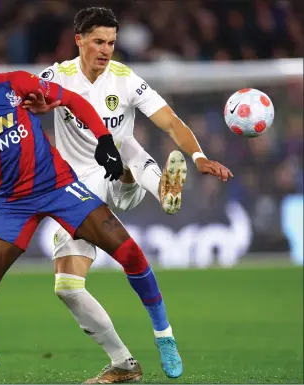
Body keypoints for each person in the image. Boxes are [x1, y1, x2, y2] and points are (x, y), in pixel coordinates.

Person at [0, 24, 165, 384]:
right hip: (12, 204)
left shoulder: (15, 83)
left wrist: (103, 138)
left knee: (129, 251)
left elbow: (72, 100)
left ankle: (163, 337)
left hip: (58, 187)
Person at [23, 6, 233, 383]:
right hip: (76, 188)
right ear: (79, 41)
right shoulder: (56, 77)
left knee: (127, 152)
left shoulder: (125, 79)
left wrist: (199, 157)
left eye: (112, 43)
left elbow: (170, 121)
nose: (106, 50)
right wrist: (33, 110)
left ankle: (154, 184)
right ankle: (123, 364)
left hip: (115, 175)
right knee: (67, 288)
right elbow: (23, 106)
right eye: (99, 42)